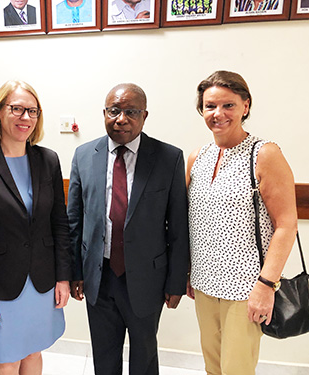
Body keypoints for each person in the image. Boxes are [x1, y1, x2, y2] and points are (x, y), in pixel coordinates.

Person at [68, 83, 190, 375]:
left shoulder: (168, 158)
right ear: (104, 113)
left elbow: (178, 226)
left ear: (144, 116)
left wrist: (176, 282)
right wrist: (74, 272)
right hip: (100, 275)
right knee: (104, 353)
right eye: (114, 111)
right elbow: (74, 221)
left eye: (131, 112)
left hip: (148, 278)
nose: (121, 118)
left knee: (144, 354)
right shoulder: (84, 155)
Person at [0, 80, 72, 375]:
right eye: (17, 109)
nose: (25, 118)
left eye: (32, 111)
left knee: (34, 351)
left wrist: (63, 277)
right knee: (6, 360)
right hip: (1, 286)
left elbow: (59, 223)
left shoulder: (48, 160)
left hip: (42, 280)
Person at [186, 71, 297, 375]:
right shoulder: (198, 157)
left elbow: (287, 224)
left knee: (237, 369)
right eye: (210, 106)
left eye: (228, 105)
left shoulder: (264, 154)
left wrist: (266, 285)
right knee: (213, 367)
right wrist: (187, 271)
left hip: (247, 288)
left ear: (245, 106)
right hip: (204, 283)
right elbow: (192, 221)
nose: (218, 114)